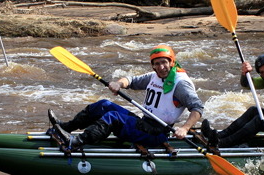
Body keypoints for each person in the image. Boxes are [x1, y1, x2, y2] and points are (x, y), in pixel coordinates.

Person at [48, 44, 204, 153]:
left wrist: (184, 128)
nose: (161, 67)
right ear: (153, 66)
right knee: (104, 105)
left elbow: (197, 108)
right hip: (144, 123)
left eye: (164, 62)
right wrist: (118, 83)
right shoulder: (153, 76)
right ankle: (66, 128)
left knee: (113, 117)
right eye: (157, 64)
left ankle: (76, 142)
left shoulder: (181, 83)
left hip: (156, 133)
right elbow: (131, 80)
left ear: (172, 62)